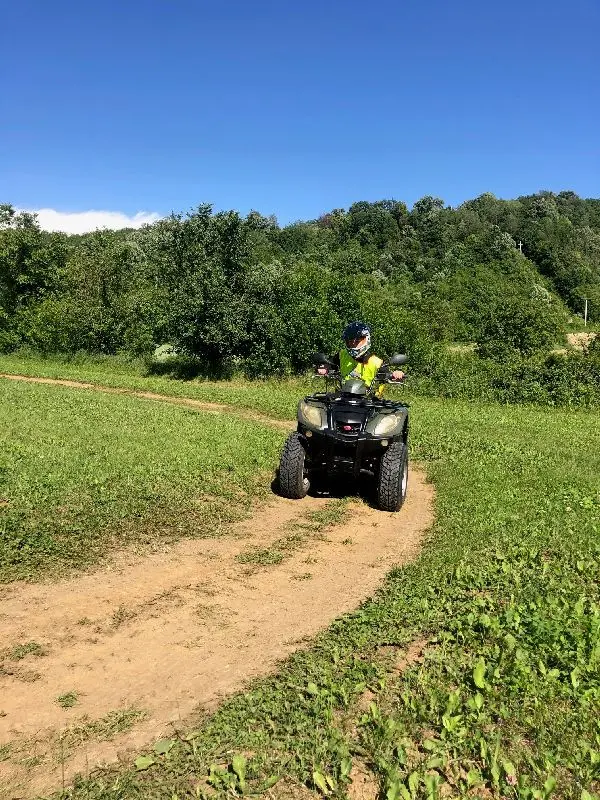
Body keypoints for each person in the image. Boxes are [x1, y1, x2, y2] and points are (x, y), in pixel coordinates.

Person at [320, 321, 405, 396]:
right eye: (350, 342)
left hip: (369, 401)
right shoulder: (342, 355)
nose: (353, 345)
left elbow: (387, 374)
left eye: (357, 342)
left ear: (367, 339)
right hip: (343, 398)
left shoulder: (377, 362)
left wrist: (396, 374)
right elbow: (329, 364)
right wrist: (324, 368)